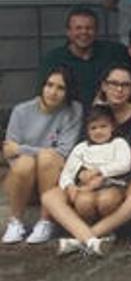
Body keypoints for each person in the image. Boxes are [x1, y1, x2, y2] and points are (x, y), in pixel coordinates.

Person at [41, 66, 131, 248]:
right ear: (104, 86)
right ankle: (90, 238)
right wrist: (79, 177)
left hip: (126, 176)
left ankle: (85, 237)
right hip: (88, 177)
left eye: (125, 85)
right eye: (113, 83)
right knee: (50, 197)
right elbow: (79, 150)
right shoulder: (91, 113)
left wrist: (103, 175)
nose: (119, 89)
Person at [3, 67, 82, 245]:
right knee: (25, 163)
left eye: (60, 88)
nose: (53, 92)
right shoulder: (21, 111)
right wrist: (27, 153)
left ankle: (45, 221)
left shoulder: (73, 110)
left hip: (53, 177)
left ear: (68, 92)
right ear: (42, 86)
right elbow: (9, 152)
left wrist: (23, 149)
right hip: (23, 180)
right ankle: (15, 222)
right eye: (49, 85)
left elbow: (63, 152)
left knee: (47, 158)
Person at [48, 106, 131, 256]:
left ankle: (104, 232)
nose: (98, 131)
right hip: (86, 188)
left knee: (106, 200)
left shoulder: (118, 143)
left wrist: (99, 171)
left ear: (112, 126)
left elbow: (125, 164)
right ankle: (92, 234)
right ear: (87, 130)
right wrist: (69, 186)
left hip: (112, 184)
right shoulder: (81, 148)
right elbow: (67, 172)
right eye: (93, 128)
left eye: (103, 126)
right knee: (83, 202)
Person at [39, 8, 131, 105]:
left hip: (108, 114)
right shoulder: (54, 59)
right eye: (78, 28)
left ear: (96, 31)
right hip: (68, 116)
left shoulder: (115, 53)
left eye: (89, 28)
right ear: (68, 32)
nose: (84, 32)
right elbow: (43, 96)